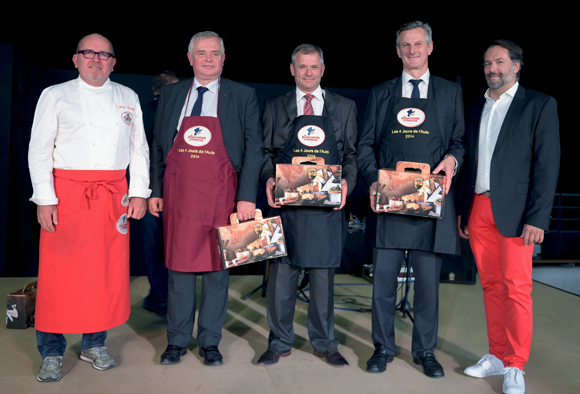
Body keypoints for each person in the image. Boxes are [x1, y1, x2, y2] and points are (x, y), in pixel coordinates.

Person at [28, 33, 150, 382]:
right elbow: (39, 150)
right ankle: (51, 350)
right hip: (65, 196)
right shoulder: (55, 95)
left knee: (103, 274)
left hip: (113, 197)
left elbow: (138, 148)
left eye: (104, 54)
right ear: (76, 59)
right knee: (58, 277)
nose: (96, 59)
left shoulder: (127, 96)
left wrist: (139, 192)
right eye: (89, 53)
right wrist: (45, 198)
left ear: (114, 61)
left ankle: (94, 344)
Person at [357, 21, 465, 378]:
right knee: (383, 284)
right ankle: (382, 348)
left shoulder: (450, 93)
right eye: (406, 45)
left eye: (418, 44)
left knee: (429, 288)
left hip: (430, 201)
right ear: (398, 50)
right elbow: (364, 146)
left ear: (430, 47)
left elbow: (459, 141)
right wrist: (373, 181)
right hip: (390, 199)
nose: (412, 50)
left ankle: (425, 351)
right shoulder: (382, 92)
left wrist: (452, 160)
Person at [148, 31, 263, 366]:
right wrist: (156, 191)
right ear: (190, 58)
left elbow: (254, 149)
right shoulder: (172, 94)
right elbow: (158, 146)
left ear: (224, 59)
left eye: (215, 53)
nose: (209, 59)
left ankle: (210, 341)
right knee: (179, 271)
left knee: (217, 272)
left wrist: (246, 197)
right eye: (202, 53)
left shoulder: (243, 95)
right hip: (179, 196)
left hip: (222, 196)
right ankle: (177, 341)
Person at [457, 39, 560, 394]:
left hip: (518, 214)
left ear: (517, 65)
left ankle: (516, 365)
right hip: (479, 208)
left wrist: (539, 218)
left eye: (499, 62)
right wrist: (463, 211)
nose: (492, 69)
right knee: (491, 287)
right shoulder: (476, 106)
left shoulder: (539, 105)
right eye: (487, 63)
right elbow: (469, 162)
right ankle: (496, 355)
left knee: (517, 289)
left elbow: (547, 165)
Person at [258, 44, 358, 367]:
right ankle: (279, 341)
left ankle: (325, 344)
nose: (309, 72)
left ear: (323, 69)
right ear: (292, 69)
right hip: (286, 207)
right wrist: (269, 180)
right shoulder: (274, 107)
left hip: (325, 209)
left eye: (314, 67)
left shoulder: (344, 108)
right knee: (281, 281)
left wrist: (347, 184)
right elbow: (264, 155)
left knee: (323, 280)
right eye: (303, 67)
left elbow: (351, 157)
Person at [141, 71, 179, 316]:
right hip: (178, 190)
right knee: (175, 245)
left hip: (146, 190)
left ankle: (159, 298)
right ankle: (172, 299)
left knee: (154, 247)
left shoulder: (140, 111)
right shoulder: (180, 114)